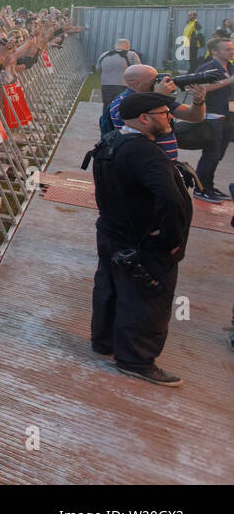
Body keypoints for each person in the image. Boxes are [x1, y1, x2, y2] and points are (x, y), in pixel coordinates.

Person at [86, 92, 192, 387]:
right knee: (147, 299)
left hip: (112, 234)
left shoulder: (110, 141)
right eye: (164, 112)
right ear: (144, 118)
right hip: (144, 243)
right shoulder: (146, 152)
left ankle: (105, 341)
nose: (170, 116)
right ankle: (136, 360)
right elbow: (170, 200)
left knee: (110, 288)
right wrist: (172, 240)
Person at [192, 37, 234, 200]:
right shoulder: (207, 68)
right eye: (228, 49)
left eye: (232, 48)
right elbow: (199, 88)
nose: (232, 51)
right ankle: (200, 188)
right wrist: (227, 81)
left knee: (218, 155)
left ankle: (209, 186)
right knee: (211, 154)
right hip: (212, 116)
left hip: (228, 116)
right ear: (214, 51)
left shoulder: (231, 67)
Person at [96, 39, 141, 126]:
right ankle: (120, 125)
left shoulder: (104, 54)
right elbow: (139, 70)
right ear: (128, 46)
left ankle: (105, 124)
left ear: (115, 45)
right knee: (123, 106)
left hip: (106, 85)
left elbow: (98, 69)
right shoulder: (131, 55)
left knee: (107, 105)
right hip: (124, 85)